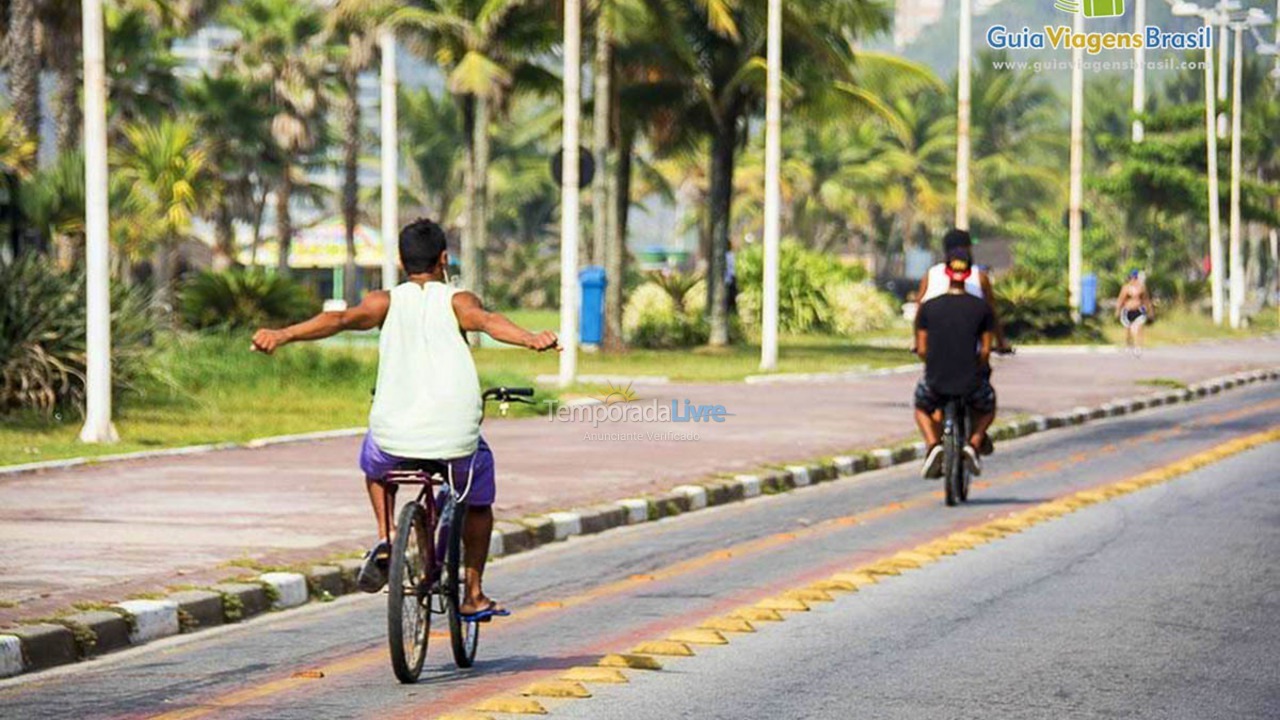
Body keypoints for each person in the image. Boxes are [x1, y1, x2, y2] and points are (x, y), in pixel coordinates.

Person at [251, 218, 558, 620]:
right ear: (444, 258)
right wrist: (530, 337)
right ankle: (474, 593)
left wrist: (284, 334)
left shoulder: (385, 301)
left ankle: (387, 537)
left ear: (399, 260)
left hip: (394, 435)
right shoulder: (458, 300)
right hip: (454, 437)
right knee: (478, 499)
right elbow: (488, 321)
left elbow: (339, 320)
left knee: (374, 463)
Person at [914, 228, 1007, 456]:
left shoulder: (931, 278)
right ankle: (975, 439)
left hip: (937, 357)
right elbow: (991, 321)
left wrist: (920, 346)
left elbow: (919, 318)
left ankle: (934, 443)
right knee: (983, 394)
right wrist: (1002, 343)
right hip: (971, 360)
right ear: (969, 251)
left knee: (928, 398)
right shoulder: (980, 280)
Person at [1116, 269, 1153, 356]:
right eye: (1132, 278)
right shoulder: (1126, 288)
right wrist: (1117, 310)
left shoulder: (1141, 288)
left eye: (1135, 278)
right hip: (1128, 311)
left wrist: (1150, 311)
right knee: (1128, 330)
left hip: (1138, 311)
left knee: (1139, 328)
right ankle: (1128, 345)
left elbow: (1146, 300)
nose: (1133, 280)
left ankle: (1138, 347)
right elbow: (1121, 300)